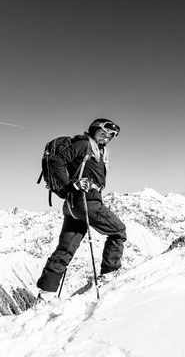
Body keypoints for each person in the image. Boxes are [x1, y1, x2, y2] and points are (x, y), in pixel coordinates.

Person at [36, 119, 127, 302]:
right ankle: (109, 274)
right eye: (104, 132)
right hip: (85, 201)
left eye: (111, 135)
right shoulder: (83, 144)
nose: (108, 137)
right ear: (94, 129)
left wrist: (71, 187)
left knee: (66, 248)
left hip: (73, 204)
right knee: (118, 231)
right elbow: (56, 160)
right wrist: (70, 184)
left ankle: (46, 294)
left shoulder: (97, 150)